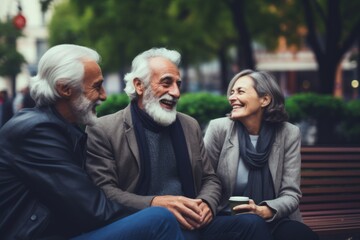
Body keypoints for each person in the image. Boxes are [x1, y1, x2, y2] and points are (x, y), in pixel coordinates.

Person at [0, 44, 185, 240]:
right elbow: (95, 210)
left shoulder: (54, 127)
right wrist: (153, 204)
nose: (104, 95)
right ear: (64, 89)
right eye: (96, 86)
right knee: (160, 219)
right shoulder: (37, 132)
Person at [85, 48, 273, 240]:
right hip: (145, 225)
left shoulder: (189, 125)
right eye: (166, 83)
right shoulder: (104, 129)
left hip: (194, 220)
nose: (175, 93)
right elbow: (105, 192)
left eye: (178, 84)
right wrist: (155, 203)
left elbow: (210, 178)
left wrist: (206, 203)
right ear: (139, 86)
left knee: (252, 223)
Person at [203, 69, 319, 240]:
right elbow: (204, 180)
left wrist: (264, 210)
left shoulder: (288, 133)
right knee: (252, 225)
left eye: (240, 91)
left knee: (301, 235)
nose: (231, 97)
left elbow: (291, 193)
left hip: (272, 217)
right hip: (225, 217)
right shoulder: (219, 128)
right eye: (232, 92)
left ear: (265, 99)